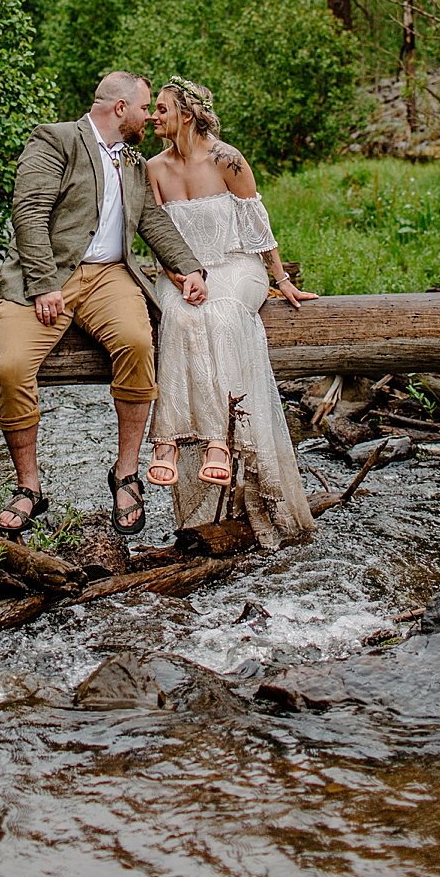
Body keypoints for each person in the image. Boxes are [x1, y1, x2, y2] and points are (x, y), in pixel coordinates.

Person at [0, 70, 208, 540]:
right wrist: (44, 283)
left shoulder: (132, 159)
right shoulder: (56, 140)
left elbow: (152, 219)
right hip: (49, 275)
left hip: (111, 276)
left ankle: (125, 474)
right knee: (11, 367)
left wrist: (190, 268)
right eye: (145, 107)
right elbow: (28, 213)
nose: (150, 116)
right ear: (120, 109)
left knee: (136, 343)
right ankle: (28, 486)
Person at [144, 76, 316, 550]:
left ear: (188, 112)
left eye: (161, 108)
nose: (153, 116)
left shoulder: (227, 159)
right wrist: (181, 276)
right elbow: (156, 235)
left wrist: (282, 281)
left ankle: (222, 437)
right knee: (178, 318)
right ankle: (169, 441)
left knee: (220, 315)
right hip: (180, 272)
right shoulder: (153, 168)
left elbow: (259, 228)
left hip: (235, 266)